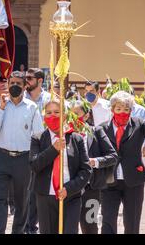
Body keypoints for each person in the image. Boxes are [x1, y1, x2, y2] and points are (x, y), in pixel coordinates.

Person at [99, 91, 145, 234]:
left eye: (126, 109)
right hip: (110, 181)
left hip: (134, 181)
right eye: (118, 109)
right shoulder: (102, 128)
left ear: (131, 110)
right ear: (112, 110)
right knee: (108, 221)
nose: (122, 112)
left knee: (132, 222)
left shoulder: (138, 124)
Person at [0, 71, 44, 234]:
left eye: (18, 84)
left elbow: (38, 134)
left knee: (22, 201)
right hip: (2, 157)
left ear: (25, 86)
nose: (14, 86)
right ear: (7, 84)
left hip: (23, 160)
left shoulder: (32, 107)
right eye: (11, 83)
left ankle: (17, 231)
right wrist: (1, 109)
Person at [29, 99, 92, 234]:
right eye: (49, 113)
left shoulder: (76, 138)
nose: (53, 116)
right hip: (46, 196)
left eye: (57, 112)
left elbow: (86, 170)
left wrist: (69, 189)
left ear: (64, 115)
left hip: (71, 196)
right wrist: (53, 149)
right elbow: (34, 165)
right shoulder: (38, 138)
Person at [69, 100, 118, 234]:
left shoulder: (96, 132)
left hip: (92, 189)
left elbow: (113, 156)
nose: (73, 118)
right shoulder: (64, 134)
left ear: (86, 116)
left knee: (90, 225)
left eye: (76, 114)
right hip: (69, 188)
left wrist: (94, 162)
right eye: (70, 114)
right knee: (69, 226)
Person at [24, 67, 51, 234]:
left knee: (40, 188)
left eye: (30, 78)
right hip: (26, 147)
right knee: (27, 189)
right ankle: (28, 226)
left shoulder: (49, 99)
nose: (26, 81)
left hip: (45, 147)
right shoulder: (22, 98)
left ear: (40, 81)